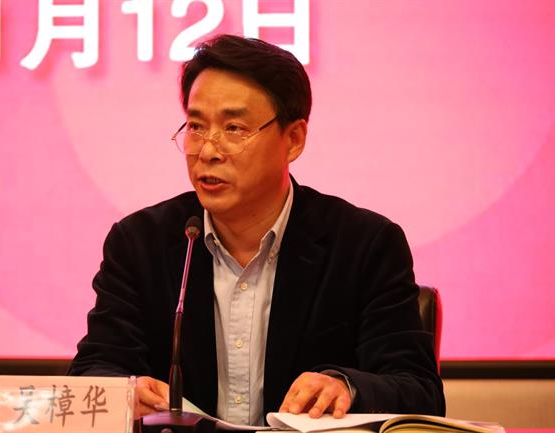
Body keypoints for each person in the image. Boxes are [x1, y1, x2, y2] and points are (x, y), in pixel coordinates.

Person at [68, 34, 445, 426]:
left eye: (234, 128)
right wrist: (124, 393)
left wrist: (347, 387)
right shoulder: (139, 244)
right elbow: (95, 370)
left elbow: (420, 391)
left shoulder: (364, 246)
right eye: (196, 126)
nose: (207, 150)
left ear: (293, 139)